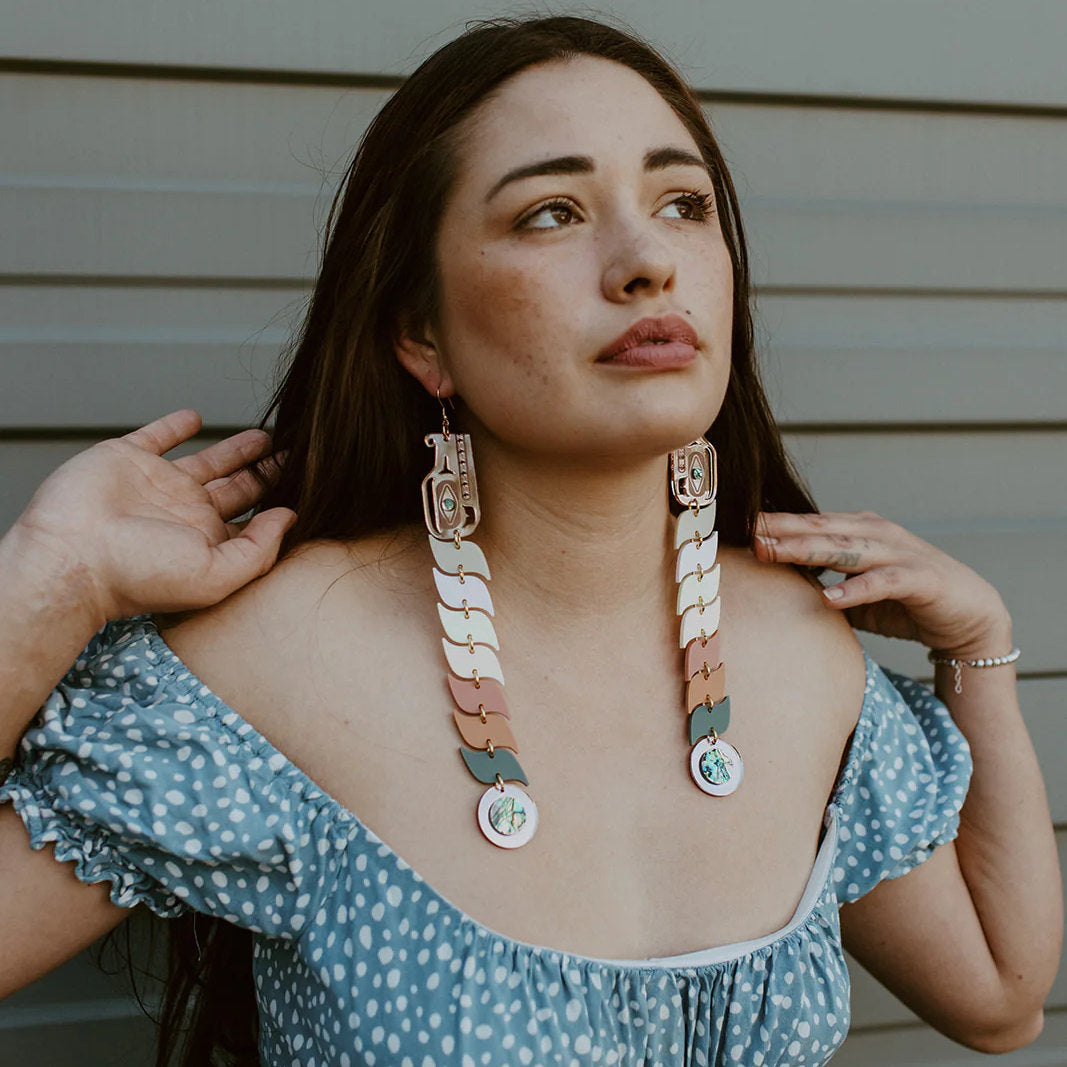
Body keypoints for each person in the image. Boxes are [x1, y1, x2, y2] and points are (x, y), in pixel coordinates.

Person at [0, 14, 1060, 1067]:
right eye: (552, 212)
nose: (647, 260)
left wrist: (977, 649)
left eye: (682, 204)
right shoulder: (276, 666)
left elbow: (1001, 1001)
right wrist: (47, 587)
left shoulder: (799, 649)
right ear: (422, 333)